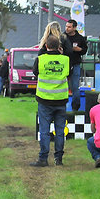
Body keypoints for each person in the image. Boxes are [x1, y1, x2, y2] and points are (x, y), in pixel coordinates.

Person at [30, 31, 70, 167]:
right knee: (60, 131)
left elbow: (35, 73)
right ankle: (58, 159)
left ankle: (43, 158)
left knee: (44, 131)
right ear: (59, 46)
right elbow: (68, 74)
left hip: (44, 100)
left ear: (46, 46)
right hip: (61, 100)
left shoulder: (40, 59)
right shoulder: (65, 59)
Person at [65, 19, 88, 111]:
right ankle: (62, 105)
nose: (67, 28)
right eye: (66, 26)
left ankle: (75, 106)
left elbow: (84, 50)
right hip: (64, 64)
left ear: (74, 28)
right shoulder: (62, 37)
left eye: (69, 27)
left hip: (75, 64)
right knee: (63, 85)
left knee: (75, 86)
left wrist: (79, 50)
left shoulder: (80, 38)